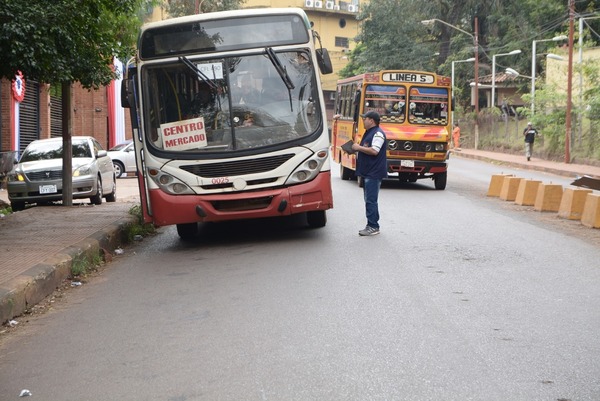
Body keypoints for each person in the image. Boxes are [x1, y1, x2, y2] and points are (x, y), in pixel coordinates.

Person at [350, 111, 387, 236]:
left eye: (365, 119)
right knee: (369, 199)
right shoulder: (369, 133)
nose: (363, 121)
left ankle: (373, 226)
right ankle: (372, 224)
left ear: (371, 120)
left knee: (371, 200)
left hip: (374, 172)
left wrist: (358, 148)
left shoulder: (378, 134)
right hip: (368, 171)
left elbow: (374, 150)